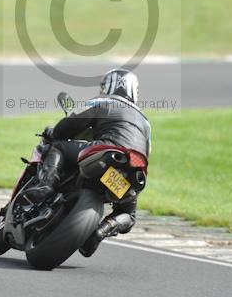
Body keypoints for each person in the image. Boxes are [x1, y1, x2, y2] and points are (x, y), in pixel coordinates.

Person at [25, 68, 151, 257]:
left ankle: (45, 185)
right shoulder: (146, 122)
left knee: (59, 147)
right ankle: (99, 232)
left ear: (107, 86)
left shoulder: (105, 102)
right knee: (129, 214)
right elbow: (147, 151)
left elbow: (72, 123)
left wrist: (55, 133)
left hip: (106, 152)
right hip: (134, 169)